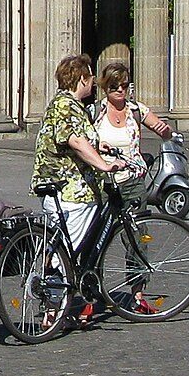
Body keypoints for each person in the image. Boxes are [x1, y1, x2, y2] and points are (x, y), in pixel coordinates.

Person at [33, 52, 123, 253]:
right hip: (70, 191)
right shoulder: (66, 105)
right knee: (67, 251)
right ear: (82, 78)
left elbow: (68, 138)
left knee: (69, 249)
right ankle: (56, 282)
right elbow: (74, 140)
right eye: (91, 78)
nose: (93, 83)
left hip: (72, 189)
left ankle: (65, 279)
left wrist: (98, 146)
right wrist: (104, 165)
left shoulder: (69, 104)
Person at [91, 61, 173, 210]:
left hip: (132, 180)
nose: (120, 90)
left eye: (125, 85)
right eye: (114, 86)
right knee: (103, 230)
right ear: (105, 86)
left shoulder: (136, 109)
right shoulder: (95, 112)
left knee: (137, 228)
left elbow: (165, 133)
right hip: (102, 181)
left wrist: (166, 132)